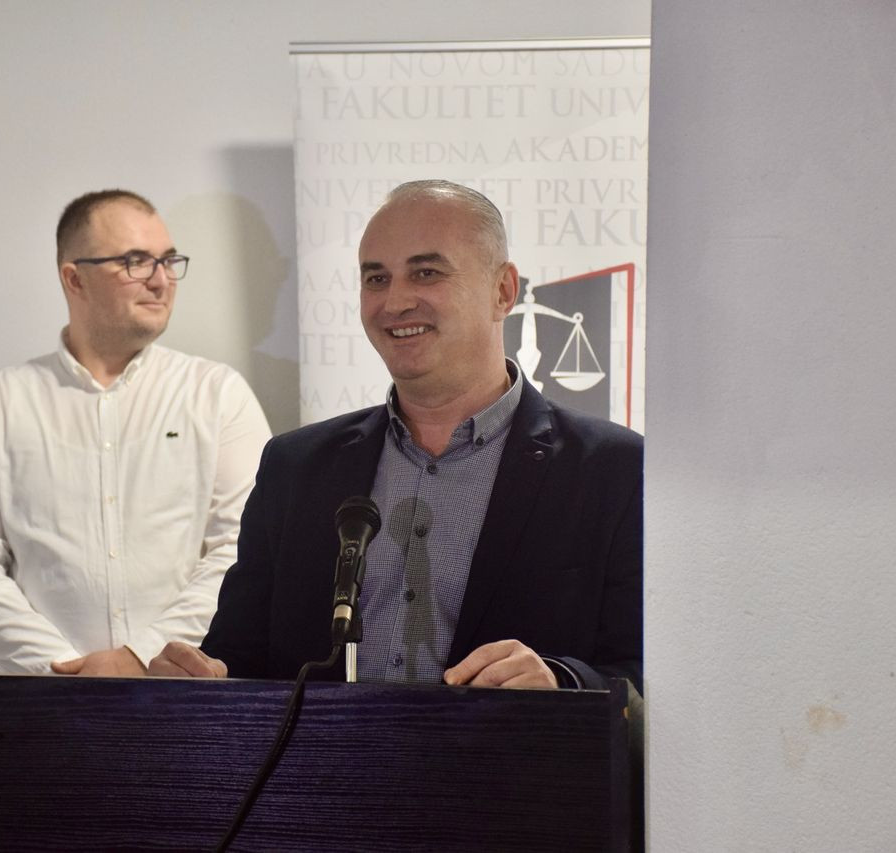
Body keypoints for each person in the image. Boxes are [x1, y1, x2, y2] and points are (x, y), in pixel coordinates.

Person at [149, 180, 642, 691]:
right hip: (324, 749)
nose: (395, 301)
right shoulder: (295, 467)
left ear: (503, 290)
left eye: (426, 273)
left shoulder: (613, 470)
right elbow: (239, 657)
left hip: (511, 747)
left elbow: (649, 676)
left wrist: (562, 683)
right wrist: (197, 679)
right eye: (376, 278)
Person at [0, 189, 271, 676]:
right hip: (43, 700)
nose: (161, 280)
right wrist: (63, 669)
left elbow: (244, 549)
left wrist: (142, 657)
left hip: (184, 694)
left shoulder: (217, 394)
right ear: (74, 278)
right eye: (136, 261)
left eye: (168, 260)